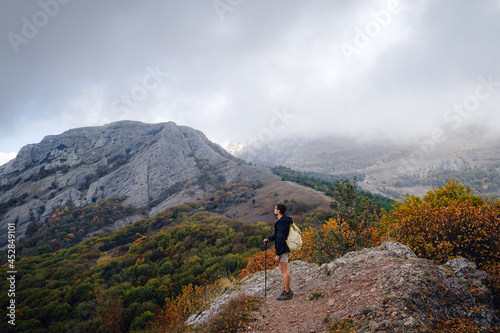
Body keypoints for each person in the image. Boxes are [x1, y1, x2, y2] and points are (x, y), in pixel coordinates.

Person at [264, 203, 293, 301]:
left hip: (283, 249)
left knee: (284, 271)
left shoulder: (281, 222)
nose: (274, 209)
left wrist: (278, 254)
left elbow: (280, 238)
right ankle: (287, 289)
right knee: (283, 269)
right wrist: (268, 239)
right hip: (285, 248)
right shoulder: (284, 221)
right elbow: (277, 235)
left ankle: (287, 292)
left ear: (279, 211)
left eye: (275, 208)